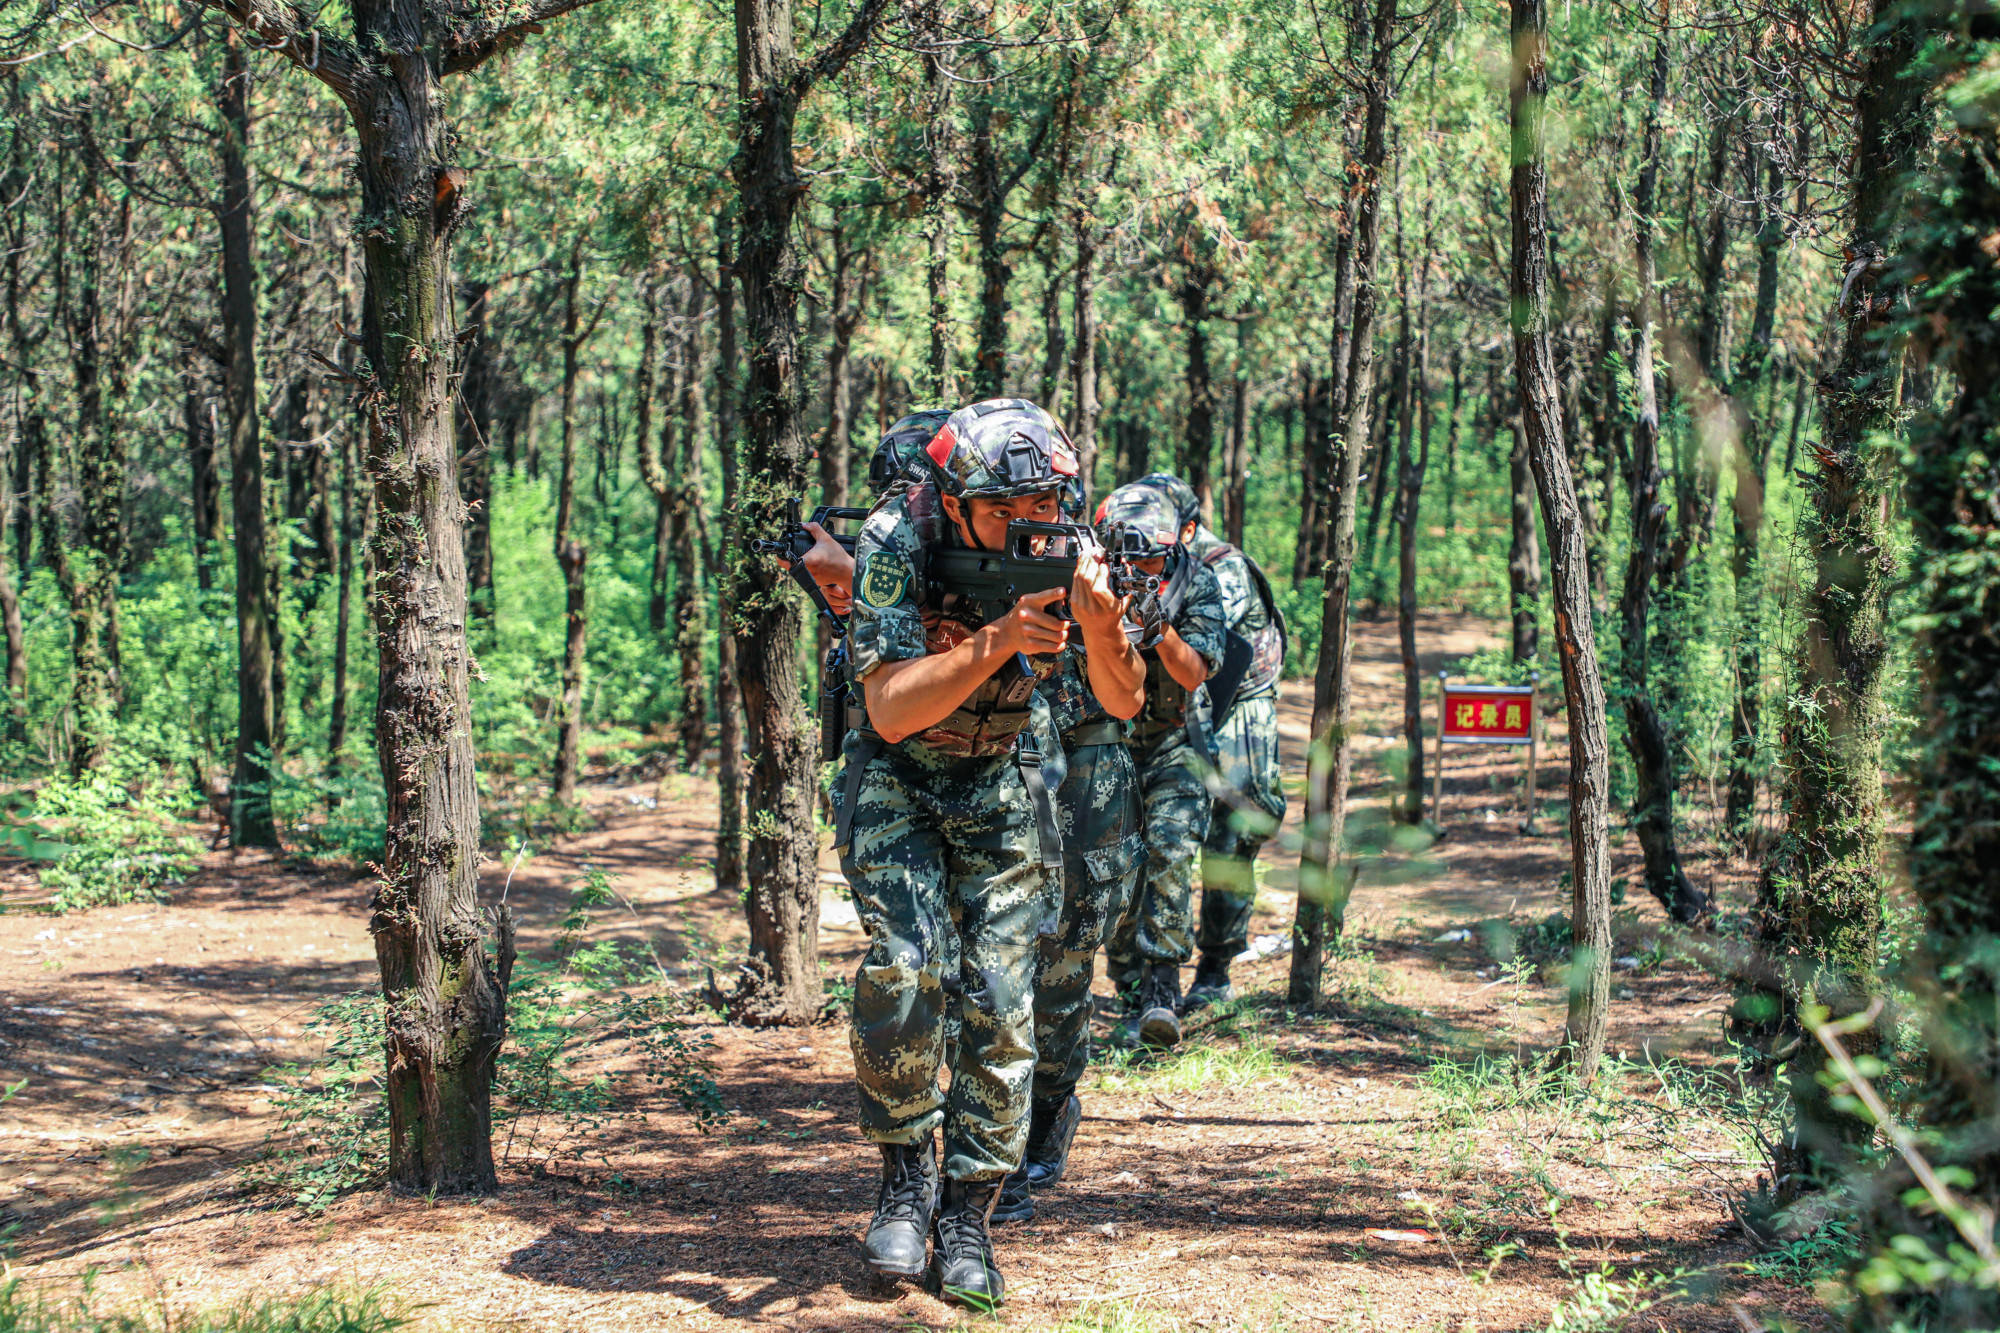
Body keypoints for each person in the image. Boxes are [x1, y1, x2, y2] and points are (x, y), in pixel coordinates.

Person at [840, 399, 1141, 1308]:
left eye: (1042, 504)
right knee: (905, 967)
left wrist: (1099, 624)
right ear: (953, 500)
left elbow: (1124, 699)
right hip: (899, 773)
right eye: (1003, 510)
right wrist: (1000, 638)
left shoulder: (1067, 544)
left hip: (1003, 772)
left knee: (1005, 999)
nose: (1027, 524)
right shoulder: (895, 538)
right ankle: (906, 1181)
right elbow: (889, 707)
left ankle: (969, 1212)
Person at [1134, 474, 1290, 1011]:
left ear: (1187, 528)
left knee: (1233, 830)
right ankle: (1146, 978)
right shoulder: (1141, 559)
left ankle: (1216, 970)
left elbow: (1204, 646)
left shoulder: (1220, 568)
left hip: (1238, 704)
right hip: (1180, 709)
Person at [1097, 481, 1227, 1049]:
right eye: (1132, 558)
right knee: (1116, 864)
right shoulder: (1095, 577)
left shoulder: (1197, 581)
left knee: (1170, 850)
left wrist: (1157, 626)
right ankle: (1127, 984)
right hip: (1110, 740)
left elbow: (1195, 671)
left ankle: (1162, 986)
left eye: (1152, 559)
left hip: (1177, 740)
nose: (1141, 568)